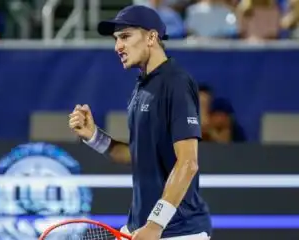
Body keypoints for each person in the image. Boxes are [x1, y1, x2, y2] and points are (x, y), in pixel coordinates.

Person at [68, 5, 212, 240]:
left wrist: (155, 224)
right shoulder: (141, 88)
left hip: (177, 233)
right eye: (116, 39)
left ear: (152, 37)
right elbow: (137, 156)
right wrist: (94, 136)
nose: (118, 47)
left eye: (125, 36)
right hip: (139, 228)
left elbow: (188, 163)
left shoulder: (175, 83)